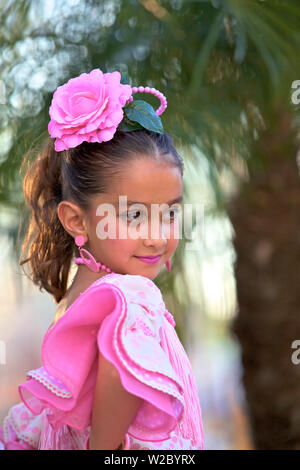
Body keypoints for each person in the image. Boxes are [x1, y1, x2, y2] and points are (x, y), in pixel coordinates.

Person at [0, 68, 205, 450]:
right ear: (76, 220)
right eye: (135, 215)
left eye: (171, 213)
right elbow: (119, 377)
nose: (158, 236)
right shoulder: (131, 296)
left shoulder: (76, 297)